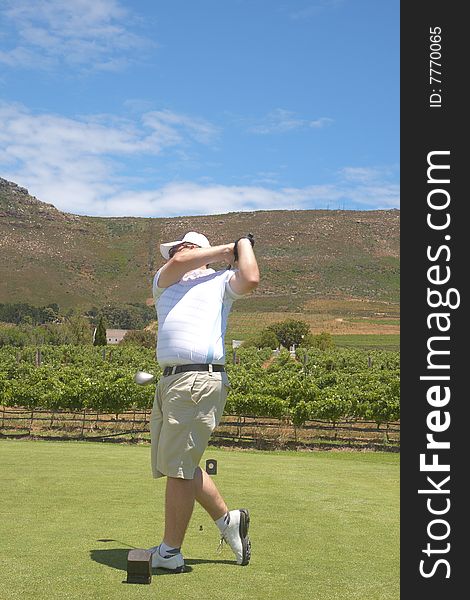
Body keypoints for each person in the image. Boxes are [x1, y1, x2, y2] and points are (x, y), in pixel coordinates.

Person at [149, 230, 259, 572]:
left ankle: (170, 553)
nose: (178, 253)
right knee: (177, 463)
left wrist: (243, 247)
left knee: (178, 468)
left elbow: (252, 277)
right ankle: (229, 521)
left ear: (205, 254)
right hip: (169, 382)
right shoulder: (164, 281)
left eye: (186, 246)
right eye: (176, 249)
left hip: (198, 378)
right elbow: (180, 262)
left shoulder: (221, 282)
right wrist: (230, 247)